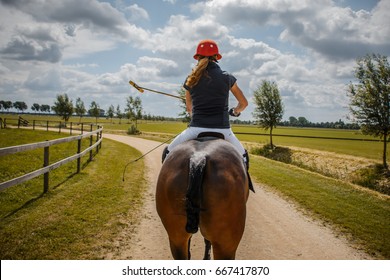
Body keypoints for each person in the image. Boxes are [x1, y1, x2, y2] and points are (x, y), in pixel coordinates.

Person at [162, 39, 253, 191]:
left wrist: (197, 109)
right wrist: (234, 112)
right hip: (223, 131)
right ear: (217, 57)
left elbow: (190, 109)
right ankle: (245, 188)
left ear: (197, 57)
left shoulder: (191, 79)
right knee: (243, 156)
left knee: (168, 152)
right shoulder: (227, 77)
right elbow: (243, 103)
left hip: (195, 129)